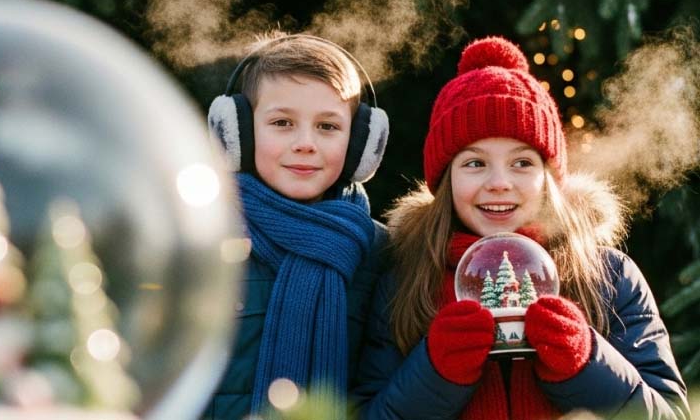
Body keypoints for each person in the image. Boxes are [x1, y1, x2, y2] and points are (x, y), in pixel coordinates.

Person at [352, 36, 690, 419]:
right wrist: (434, 373)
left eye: (522, 163)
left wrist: (587, 363)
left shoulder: (609, 277)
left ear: (549, 177)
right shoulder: (405, 281)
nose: (500, 183)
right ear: (446, 180)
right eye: (475, 163)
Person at [200, 33, 390, 420]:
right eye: (282, 122)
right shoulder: (202, 238)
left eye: (328, 126)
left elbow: (382, 392)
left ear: (361, 143)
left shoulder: (380, 252)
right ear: (237, 133)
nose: (305, 143)